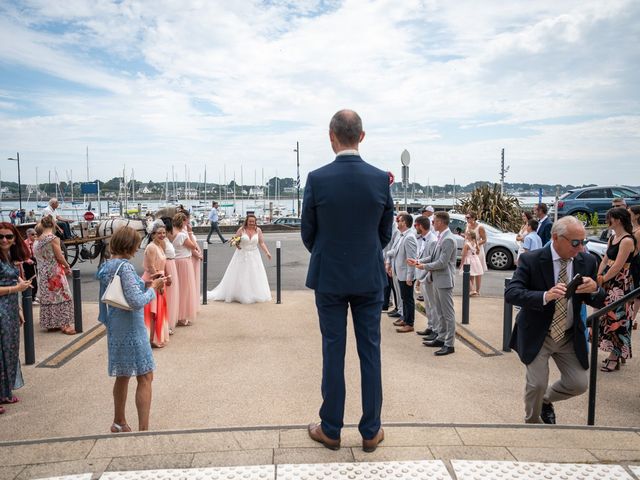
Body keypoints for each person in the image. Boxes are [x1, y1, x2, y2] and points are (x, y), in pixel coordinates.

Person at [301, 109, 393, 453]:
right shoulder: (379, 178)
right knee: (371, 352)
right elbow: (384, 232)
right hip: (368, 276)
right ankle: (371, 430)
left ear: (331, 136)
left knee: (333, 351)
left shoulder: (317, 178)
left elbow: (308, 232)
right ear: (362, 136)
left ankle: (331, 428)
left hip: (330, 277)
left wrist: (329, 253)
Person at [506, 216, 605, 424]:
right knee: (536, 384)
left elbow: (596, 297)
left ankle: (546, 401)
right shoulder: (531, 259)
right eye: (575, 242)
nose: (580, 248)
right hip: (538, 333)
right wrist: (545, 296)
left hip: (569, 334)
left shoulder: (586, 261)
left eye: (583, 242)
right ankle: (532, 423)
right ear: (555, 237)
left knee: (579, 384)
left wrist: (594, 288)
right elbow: (512, 293)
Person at [97, 227, 165, 433]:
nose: (137, 249)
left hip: (116, 325)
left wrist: (145, 283)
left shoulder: (107, 266)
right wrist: (153, 288)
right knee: (145, 376)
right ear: (129, 246)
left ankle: (119, 421)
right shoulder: (125, 267)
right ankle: (144, 429)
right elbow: (136, 301)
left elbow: (122, 293)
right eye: (136, 245)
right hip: (131, 328)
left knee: (123, 375)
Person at [411, 211, 457, 356]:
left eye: (435, 221)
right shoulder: (442, 237)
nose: (432, 223)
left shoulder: (448, 239)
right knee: (439, 311)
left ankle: (449, 344)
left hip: (444, 280)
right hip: (438, 279)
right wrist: (419, 262)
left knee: (447, 314)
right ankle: (442, 337)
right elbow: (433, 256)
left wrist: (423, 266)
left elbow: (442, 262)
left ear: (441, 222)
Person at [597, 207, 636, 371]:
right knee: (606, 317)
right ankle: (614, 353)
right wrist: (598, 275)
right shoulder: (613, 238)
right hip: (608, 281)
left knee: (617, 319)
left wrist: (603, 279)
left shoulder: (627, 240)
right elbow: (605, 259)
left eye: (609, 218)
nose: (607, 222)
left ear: (618, 220)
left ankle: (615, 355)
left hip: (620, 283)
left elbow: (618, 266)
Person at [0, 222, 32, 413]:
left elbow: (12, 279)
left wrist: (18, 308)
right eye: (0, 236)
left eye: (8, 237)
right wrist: (16, 288)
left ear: (14, 239)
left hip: (10, 309)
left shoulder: (9, 256)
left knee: (9, 350)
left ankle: (4, 391)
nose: (4, 240)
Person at [208, 214, 272, 303]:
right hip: (242, 254)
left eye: (253, 222)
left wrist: (267, 252)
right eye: (250, 221)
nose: (251, 223)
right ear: (246, 221)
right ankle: (241, 294)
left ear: (255, 222)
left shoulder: (258, 230)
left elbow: (261, 243)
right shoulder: (241, 230)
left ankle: (255, 293)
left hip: (254, 255)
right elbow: (234, 240)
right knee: (242, 274)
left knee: (255, 274)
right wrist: (236, 244)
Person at [33, 215, 75, 335]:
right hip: (54, 271)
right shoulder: (52, 238)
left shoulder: (37, 239)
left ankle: (51, 323)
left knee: (48, 298)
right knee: (63, 296)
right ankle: (65, 324)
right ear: (53, 224)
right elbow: (59, 256)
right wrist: (67, 266)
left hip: (42, 272)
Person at [385, 213, 417, 333]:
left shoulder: (409, 237)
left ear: (404, 223)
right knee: (404, 297)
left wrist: (410, 276)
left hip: (406, 274)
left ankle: (410, 323)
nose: (397, 222)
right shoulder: (402, 236)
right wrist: (387, 256)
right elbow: (394, 250)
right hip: (400, 272)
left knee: (408, 299)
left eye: (400, 220)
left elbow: (411, 258)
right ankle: (405, 318)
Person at [142, 221, 170, 348]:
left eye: (164, 233)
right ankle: (151, 338)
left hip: (160, 279)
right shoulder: (151, 247)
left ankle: (156, 337)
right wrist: (159, 281)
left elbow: (164, 263)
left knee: (159, 310)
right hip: (153, 280)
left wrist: (165, 278)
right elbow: (151, 267)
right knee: (152, 312)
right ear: (153, 234)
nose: (162, 235)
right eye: (159, 233)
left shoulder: (160, 245)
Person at [412, 216, 438, 337]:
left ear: (420, 226)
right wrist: (417, 261)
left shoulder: (432, 240)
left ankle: (435, 329)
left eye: (415, 225)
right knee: (428, 305)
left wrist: (420, 264)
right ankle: (430, 326)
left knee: (433, 305)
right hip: (422, 276)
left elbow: (432, 259)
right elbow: (425, 256)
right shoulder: (424, 239)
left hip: (428, 276)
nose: (415, 228)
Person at [171, 213, 199, 326]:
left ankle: (176, 314)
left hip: (175, 261)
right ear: (183, 221)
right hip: (184, 262)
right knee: (184, 289)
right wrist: (190, 232)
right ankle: (181, 317)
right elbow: (194, 246)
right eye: (186, 221)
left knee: (177, 289)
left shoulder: (172, 232)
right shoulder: (182, 234)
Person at [161, 217, 180, 334]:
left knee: (172, 296)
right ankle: (165, 324)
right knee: (168, 297)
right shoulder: (163, 242)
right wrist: (167, 275)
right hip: (168, 266)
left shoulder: (167, 240)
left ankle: (169, 322)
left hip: (172, 265)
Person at [464, 211, 488, 293]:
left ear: (474, 218)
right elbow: (467, 236)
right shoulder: (467, 225)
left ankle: (477, 290)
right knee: (470, 270)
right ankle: (471, 290)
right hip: (469, 250)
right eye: (466, 217)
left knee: (478, 271)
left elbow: (484, 239)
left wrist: (475, 243)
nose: (467, 219)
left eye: (468, 217)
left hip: (477, 251)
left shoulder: (480, 227)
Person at [459, 230, 484, 296]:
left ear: (470, 236)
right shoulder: (476, 243)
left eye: (467, 235)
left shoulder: (467, 245)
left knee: (466, 276)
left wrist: (461, 263)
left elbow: (464, 255)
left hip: (468, 260)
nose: (466, 236)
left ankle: (472, 290)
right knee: (472, 276)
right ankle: (471, 291)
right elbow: (478, 252)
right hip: (475, 259)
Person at [22, 228, 38, 302]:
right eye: (32, 234)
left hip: (35, 262)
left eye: (35, 234)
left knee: (35, 281)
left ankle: (34, 296)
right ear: (28, 235)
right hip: (27, 264)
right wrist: (30, 261)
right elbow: (23, 256)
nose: (35, 235)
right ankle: (30, 299)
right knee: (31, 281)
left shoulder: (36, 242)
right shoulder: (25, 243)